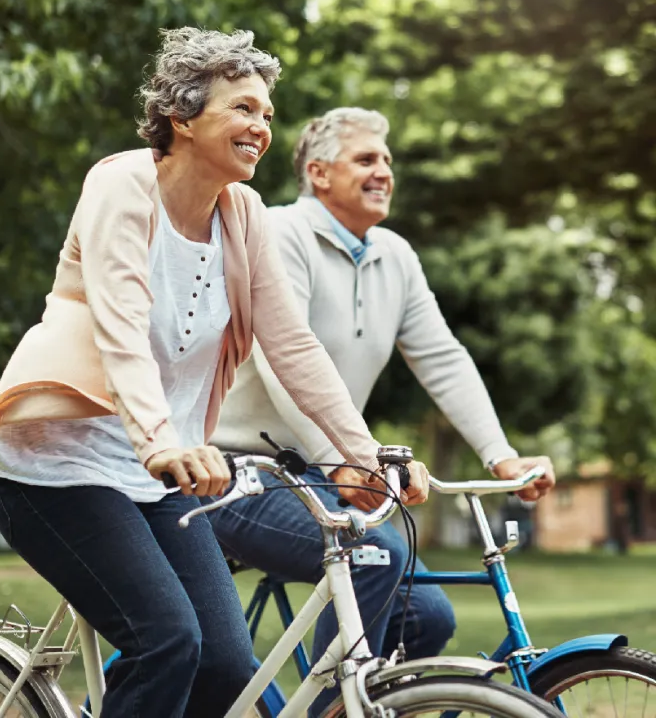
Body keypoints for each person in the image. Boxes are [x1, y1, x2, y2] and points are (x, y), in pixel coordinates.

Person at [0, 35, 429, 718]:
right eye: (244, 108)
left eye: (268, 114)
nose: (261, 128)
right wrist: (159, 440)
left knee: (227, 666)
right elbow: (120, 323)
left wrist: (365, 456)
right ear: (182, 117)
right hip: (58, 467)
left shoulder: (243, 217)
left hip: (163, 478)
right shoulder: (121, 185)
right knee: (167, 641)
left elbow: (293, 346)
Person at [208, 107, 557, 717]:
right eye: (367, 159)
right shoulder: (278, 233)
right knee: (379, 555)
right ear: (318, 172)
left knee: (428, 616)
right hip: (238, 471)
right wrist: (340, 458)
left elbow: (442, 359)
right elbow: (281, 358)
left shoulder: (394, 255)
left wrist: (500, 456)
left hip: (322, 472)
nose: (384, 172)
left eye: (387, 161)